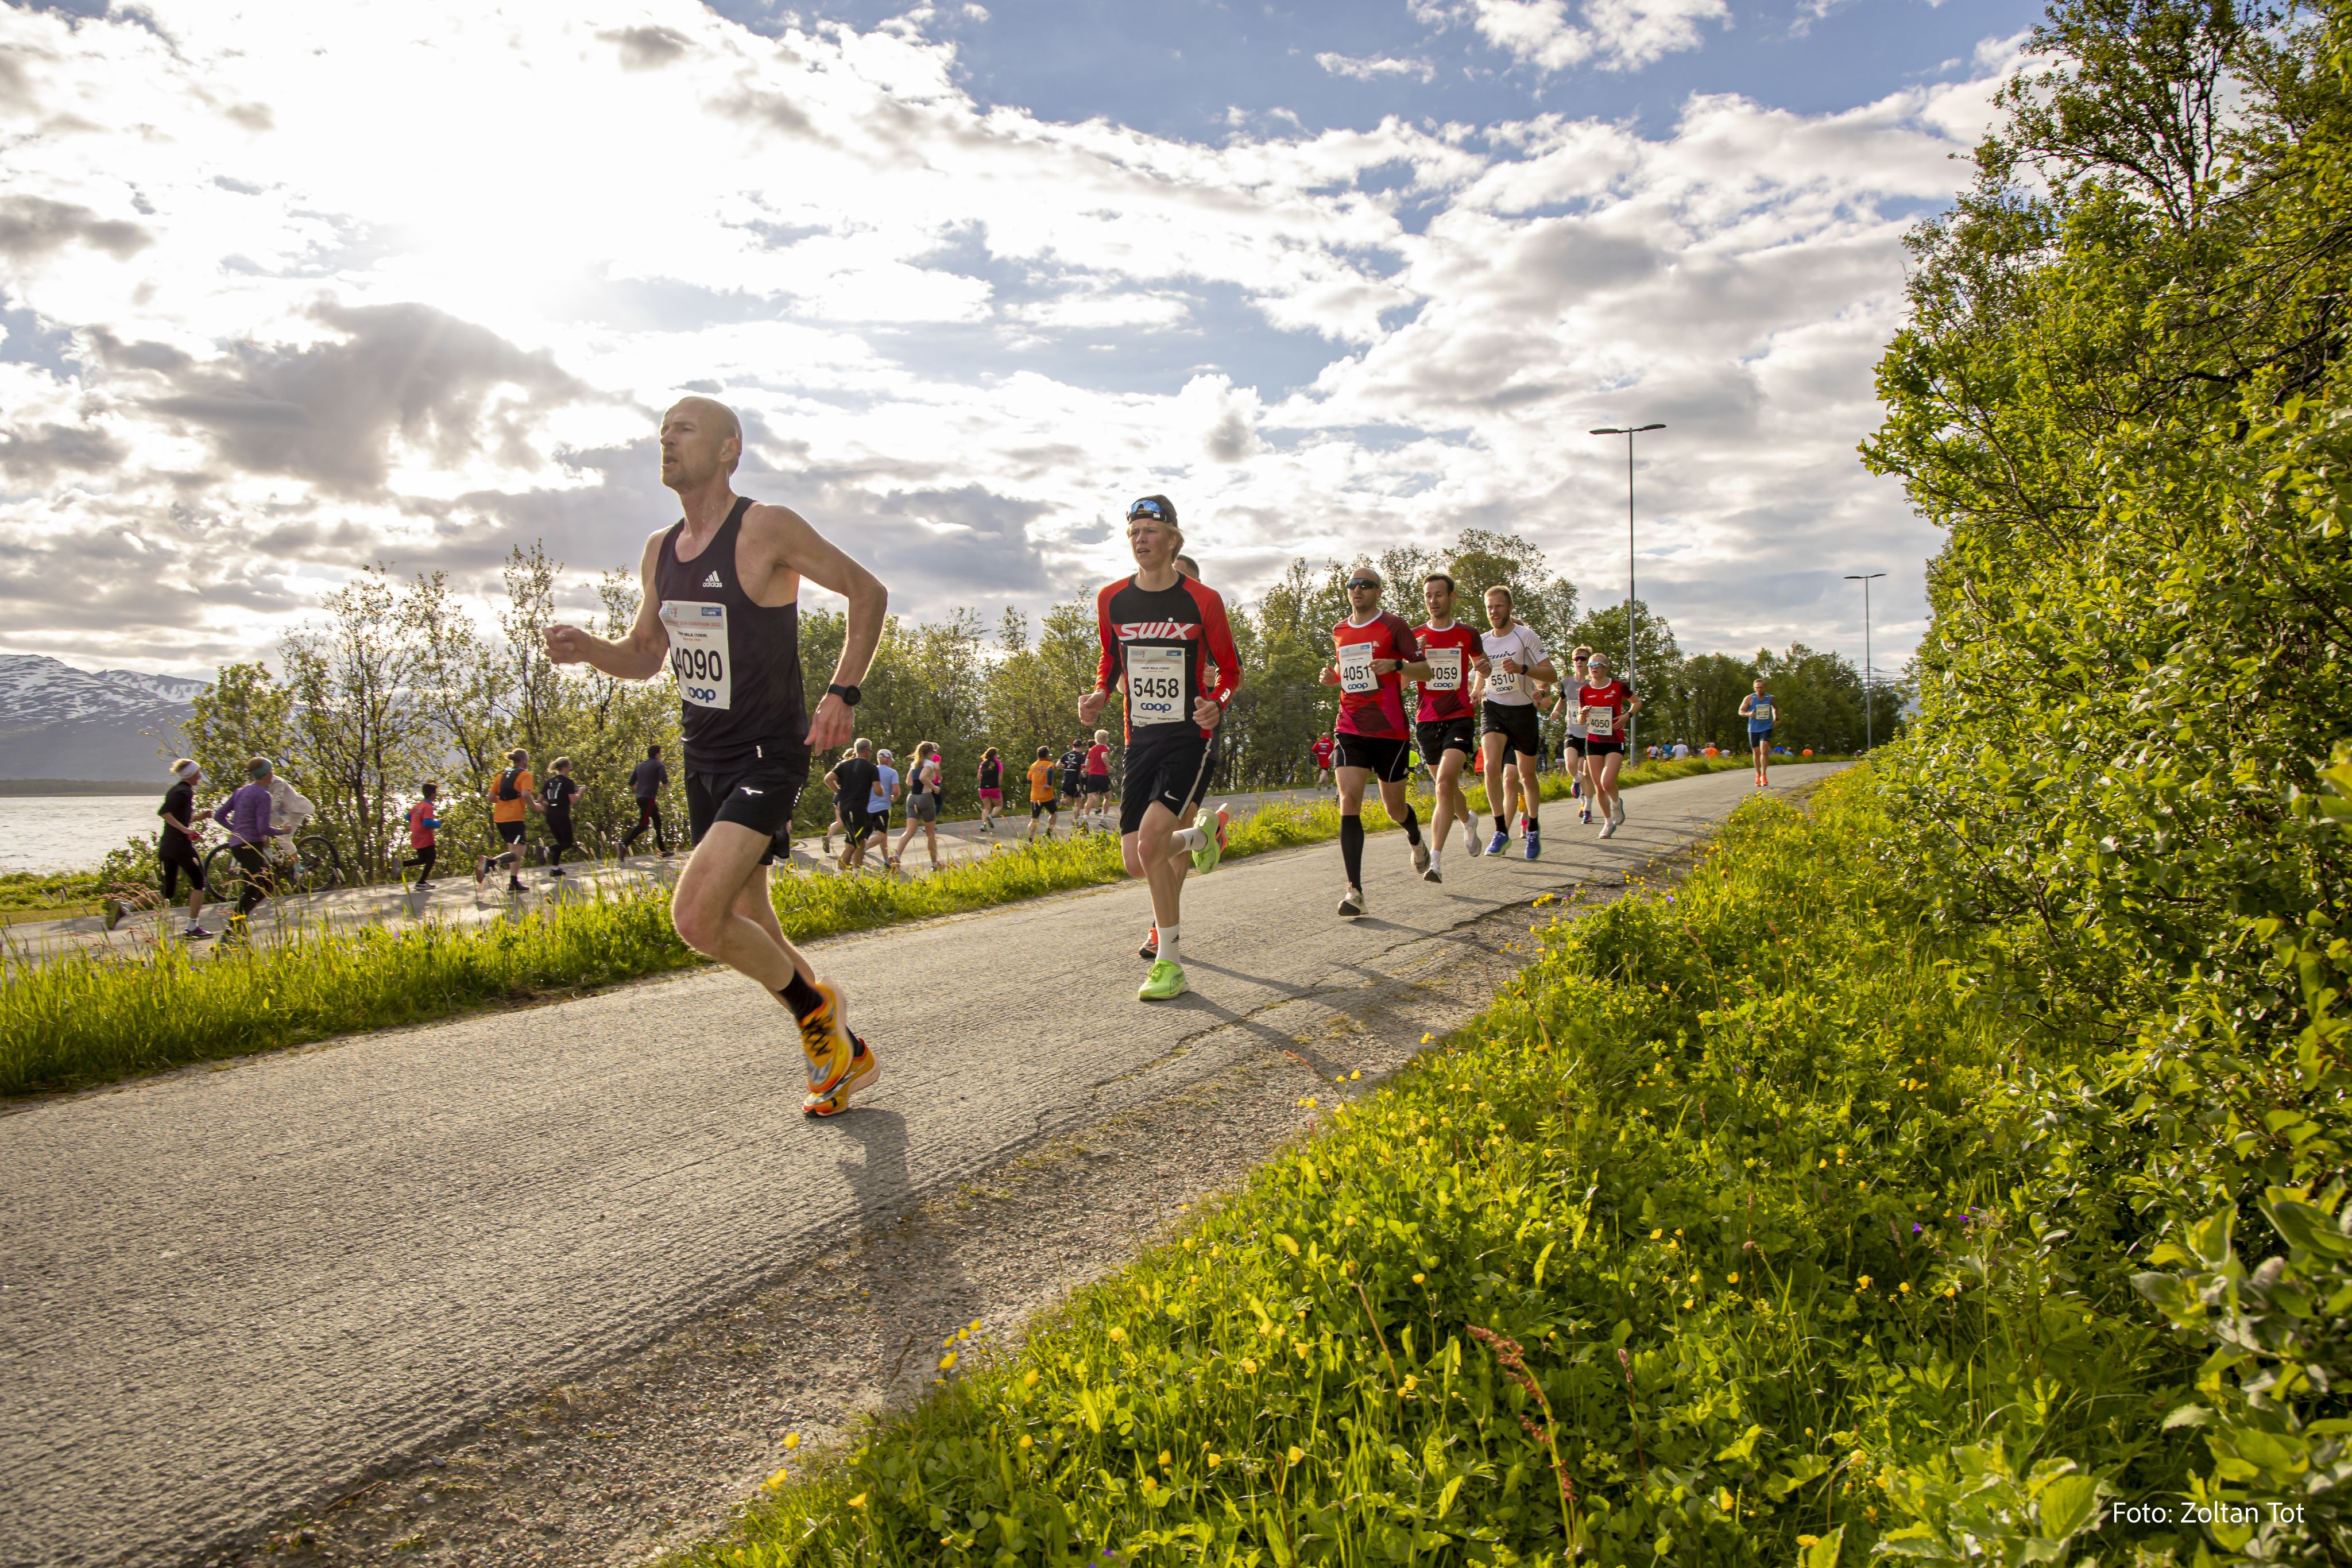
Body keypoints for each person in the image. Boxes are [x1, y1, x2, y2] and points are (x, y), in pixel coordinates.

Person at [543, 394, 887, 1119]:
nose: (666, 439)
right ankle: (843, 1052)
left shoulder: (765, 529)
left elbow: (867, 592)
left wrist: (843, 693)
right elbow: (643, 656)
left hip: (768, 755)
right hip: (704, 757)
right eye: (663, 430)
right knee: (751, 917)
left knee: (698, 918)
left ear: (729, 449)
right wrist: (589, 650)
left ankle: (816, 1013)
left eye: (684, 428)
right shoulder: (659, 550)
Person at [1080, 494, 1239, 1000]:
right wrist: (1101, 693)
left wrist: (1218, 701)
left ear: (1173, 540)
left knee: (1150, 843)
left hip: (1186, 737)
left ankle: (1169, 963)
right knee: (1135, 859)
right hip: (1138, 738)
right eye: (1133, 533)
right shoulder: (1112, 599)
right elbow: (1111, 660)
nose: (1140, 540)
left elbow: (1231, 671)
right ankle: (1198, 838)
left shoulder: (1203, 600)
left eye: (1150, 530)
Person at [1317, 564, 1426, 915]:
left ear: (1378, 591)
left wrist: (1396, 665)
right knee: (1349, 799)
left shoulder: (1394, 626)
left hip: (1390, 730)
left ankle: (1416, 839)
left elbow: (1424, 669)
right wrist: (1333, 678)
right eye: (1352, 584)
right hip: (1350, 725)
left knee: (1395, 808)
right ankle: (1355, 892)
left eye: (1365, 585)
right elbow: (1344, 671)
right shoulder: (1340, 629)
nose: (1357, 589)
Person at [1410, 575, 1481, 884]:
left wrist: (1480, 683)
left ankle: (1435, 862)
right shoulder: (1415, 636)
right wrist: (1413, 657)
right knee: (1448, 788)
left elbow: (1483, 665)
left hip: (1459, 716)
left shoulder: (1467, 634)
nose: (1433, 600)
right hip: (1427, 720)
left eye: (1439, 594)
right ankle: (1468, 819)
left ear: (1452, 598)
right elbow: (1401, 681)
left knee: (1443, 784)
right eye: (1428, 595)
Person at [1477, 586, 1556, 860]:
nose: (1494, 611)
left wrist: (1524, 671)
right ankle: (1500, 830)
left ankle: (1532, 827)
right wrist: (1478, 687)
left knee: (1527, 776)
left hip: (1522, 711)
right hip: (1494, 708)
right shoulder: (1483, 640)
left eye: (1498, 606)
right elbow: (1480, 672)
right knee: (1490, 765)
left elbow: (1551, 673)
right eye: (1489, 607)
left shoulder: (1525, 636)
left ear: (1509, 608)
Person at [218, 756, 287, 940]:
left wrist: (236, 830)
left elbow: (219, 815)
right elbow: (263, 828)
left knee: (267, 884)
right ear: (266, 774)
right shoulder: (264, 796)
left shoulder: (240, 792)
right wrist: (283, 831)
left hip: (239, 845)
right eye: (271, 770)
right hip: (249, 846)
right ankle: (232, 930)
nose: (273, 774)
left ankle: (238, 924)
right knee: (258, 885)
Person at [1578, 652, 1643, 838]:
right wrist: (1583, 713)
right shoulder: (1584, 690)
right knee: (1599, 786)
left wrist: (1627, 716)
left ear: (1606, 667)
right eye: (1591, 664)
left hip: (1615, 740)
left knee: (1608, 782)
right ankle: (1608, 823)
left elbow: (1637, 702)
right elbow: (1582, 721)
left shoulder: (1617, 686)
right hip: (1593, 741)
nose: (1594, 666)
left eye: (1599, 664)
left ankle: (1616, 803)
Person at [156, 758, 213, 939]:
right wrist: (186, 830)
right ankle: (191, 928)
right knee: (199, 882)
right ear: (190, 775)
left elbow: (178, 817)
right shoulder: (184, 792)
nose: (200, 776)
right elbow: (164, 813)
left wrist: (197, 818)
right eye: (198, 773)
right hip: (179, 845)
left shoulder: (177, 790)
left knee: (167, 892)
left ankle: (126, 908)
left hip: (167, 845)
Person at [475, 748, 537, 893]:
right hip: (514, 818)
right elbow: (525, 794)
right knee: (519, 852)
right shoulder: (525, 775)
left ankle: (513, 884)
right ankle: (489, 863)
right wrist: (535, 807)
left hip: (500, 819)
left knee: (513, 851)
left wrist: (504, 800)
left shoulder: (501, 775)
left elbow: (490, 797)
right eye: (527, 760)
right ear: (524, 761)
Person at [826, 740, 883, 871]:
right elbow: (878, 791)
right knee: (853, 844)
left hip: (845, 808)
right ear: (867, 751)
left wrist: (839, 792)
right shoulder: (871, 768)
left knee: (861, 842)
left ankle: (858, 872)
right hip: (857, 810)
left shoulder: (844, 765)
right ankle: (839, 874)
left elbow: (828, 779)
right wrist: (883, 790)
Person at [893, 741, 945, 870]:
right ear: (929, 753)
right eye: (933, 752)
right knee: (931, 834)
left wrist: (923, 779)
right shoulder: (930, 764)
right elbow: (923, 777)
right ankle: (934, 864)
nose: (934, 755)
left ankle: (897, 857)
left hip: (912, 798)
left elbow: (909, 782)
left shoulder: (914, 764)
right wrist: (934, 788)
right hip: (925, 797)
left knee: (909, 831)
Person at [622, 744, 670, 858]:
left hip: (641, 798)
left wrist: (640, 791)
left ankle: (663, 851)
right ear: (657, 754)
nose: (661, 755)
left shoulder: (640, 765)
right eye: (661, 753)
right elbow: (664, 781)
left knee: (657, 821)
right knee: (643, 825)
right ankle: (623, 844)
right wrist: (666, 789)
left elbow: (631, 782)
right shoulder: (659, 764)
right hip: (649, 799)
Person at [541, 757, 582, 877]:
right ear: (564, 768)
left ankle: (555, 869)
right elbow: (574, 800)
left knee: (560, 842)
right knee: (568, 843)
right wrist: (580, 792)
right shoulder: (568, 782)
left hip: (550, 814)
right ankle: (546, 850)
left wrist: (547, 806)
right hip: (562, 815)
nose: (570, 770)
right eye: (569, 768)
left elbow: (539, 799)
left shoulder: (549, 782)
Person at [1738, 677, 1777, 787]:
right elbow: (1741, 711)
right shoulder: (1749, 698)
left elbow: (1775, 708)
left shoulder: (1770, 698)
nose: (1759, 689)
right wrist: (1749, 714)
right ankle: (1758, 774)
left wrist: (1775, 718)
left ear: (1765, 687)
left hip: (1766, 726)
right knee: (1756, 752)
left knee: (1764, 750)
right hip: (1753, 728)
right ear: (1754, 688)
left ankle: (1764, 775)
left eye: (1761, 687)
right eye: (1757, 688)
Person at [403, 781, 440, 887]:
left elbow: (407, 817)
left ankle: (401, 864)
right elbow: (427, 823)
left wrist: (416, 823)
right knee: (432, 859)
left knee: (422, 859)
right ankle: (421, 883)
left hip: (416, 835)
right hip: (425, 837)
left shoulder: (418, 806)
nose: (437, 795)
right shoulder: (428, 807)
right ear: (432, 794)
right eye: (436, 793)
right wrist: (439, 823)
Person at [869, 748, 901, 868]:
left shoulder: (872, 771)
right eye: (890, 760)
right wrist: (895, 797)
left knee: (883, 835)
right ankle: (862, 850)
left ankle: (886, 860)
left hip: (869, 807)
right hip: (883, 807)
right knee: (882, 835)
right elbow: (896, 790)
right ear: (887, 759)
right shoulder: (892, 772)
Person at [1025, 745, 1060, 841]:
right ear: (1047, 755)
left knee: (1034, 820)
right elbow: (1049, 771)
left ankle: (1031, 841)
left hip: (1035, 797)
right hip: (1048, 796)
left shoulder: (1033, 766)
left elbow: (1028, 780)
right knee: (1054, 814)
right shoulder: (1049, 764)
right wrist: (1048, 784)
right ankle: (1048, 833)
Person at [1057, 735, 1090, 831]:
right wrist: (1084, 773)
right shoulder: (1081, 756)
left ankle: (1058, 802)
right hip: (1075, 782)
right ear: (1080, 747)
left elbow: (1057, 765)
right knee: (1078, 802)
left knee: (1067, 802)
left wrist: (1066, 767)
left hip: (1066, 781)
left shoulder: (1065, 755)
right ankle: (1075, 822)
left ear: (1073, 746)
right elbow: (1084, 768)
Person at [1083, 730, 1113, 831]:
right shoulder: (1105, 748)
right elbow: (1104, 757)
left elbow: (1087, 764)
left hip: (1092, 776)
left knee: (1090, 799)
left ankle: (1085, 820)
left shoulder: (1091, 749)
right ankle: (1103, 819)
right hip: (1102, 776)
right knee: (1108, 797)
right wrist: (1109, 767)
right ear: (1105, 739)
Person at [975, 746, 1004, 834]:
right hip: (994, 787)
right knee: (999, 805)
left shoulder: (983, 763)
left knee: (986, 807)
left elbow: (978, 777)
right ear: (995, 755)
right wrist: (997, 786)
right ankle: (991, 817)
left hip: (983, 787)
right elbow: (1000, 778)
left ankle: (983, 825)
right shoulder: (998, 763)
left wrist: (985, 780)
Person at [1310, 731, 1336, 795]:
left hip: (1320, 759)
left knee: (1325, 772)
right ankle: (1319, 782)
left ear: (1323, 737)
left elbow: (1313, 749)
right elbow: (1335, 750)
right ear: (1328, 736)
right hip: (1327, 759)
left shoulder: (1319, 743)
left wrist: (1318, 752)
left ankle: (1328, 786)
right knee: (1324, 771)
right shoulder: (1331, 743)